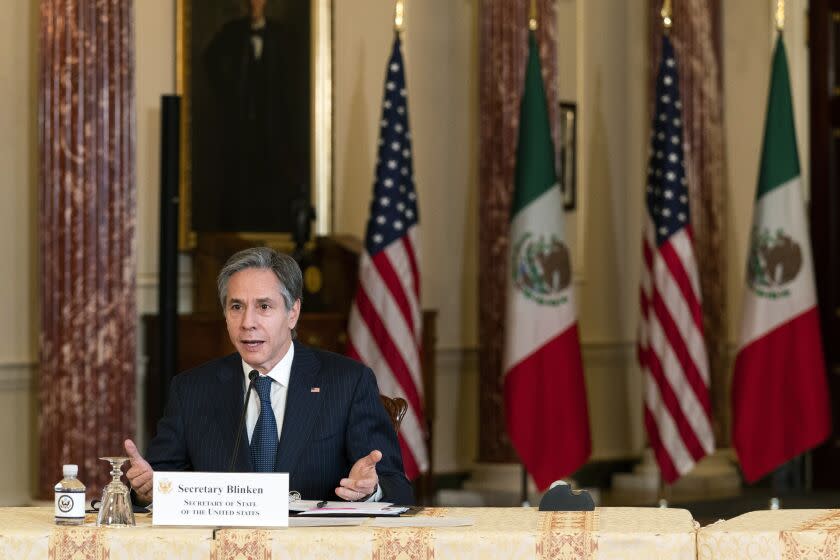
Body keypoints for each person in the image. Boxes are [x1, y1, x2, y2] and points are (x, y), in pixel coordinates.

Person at [124, 247, 413, 505]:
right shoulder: (191, 389)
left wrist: (371, 489)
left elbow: (398, 488)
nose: (248, 323)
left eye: (264, 307)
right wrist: (145, 490)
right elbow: (157, 481)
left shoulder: (347, 383)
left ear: (293, 313)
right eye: (236, 307)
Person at [195, 0, 309, 232]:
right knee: (239, 186)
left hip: (272, 132)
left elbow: (291, 80)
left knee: (270, 186)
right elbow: (211, 63)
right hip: (239, 129)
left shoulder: (281, 35)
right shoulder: (231, 32)